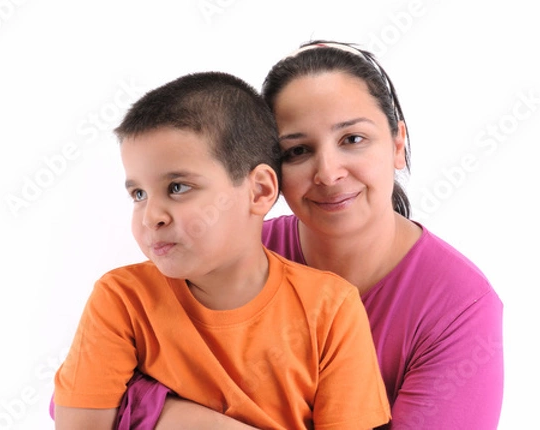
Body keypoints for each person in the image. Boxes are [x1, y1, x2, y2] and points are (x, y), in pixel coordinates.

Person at [108, 41, 505, 429]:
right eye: (297, 151)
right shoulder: (234, 251)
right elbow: (86, 391)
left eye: (352, 139)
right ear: (267, 174)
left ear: (398, 144)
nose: (329, 173)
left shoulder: (459, 307)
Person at [52, 70, 391, 429]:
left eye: (178, 187)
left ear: (259, 191)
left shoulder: (331, 307)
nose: (151, 216)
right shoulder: (122, 300)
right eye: (138, 194)